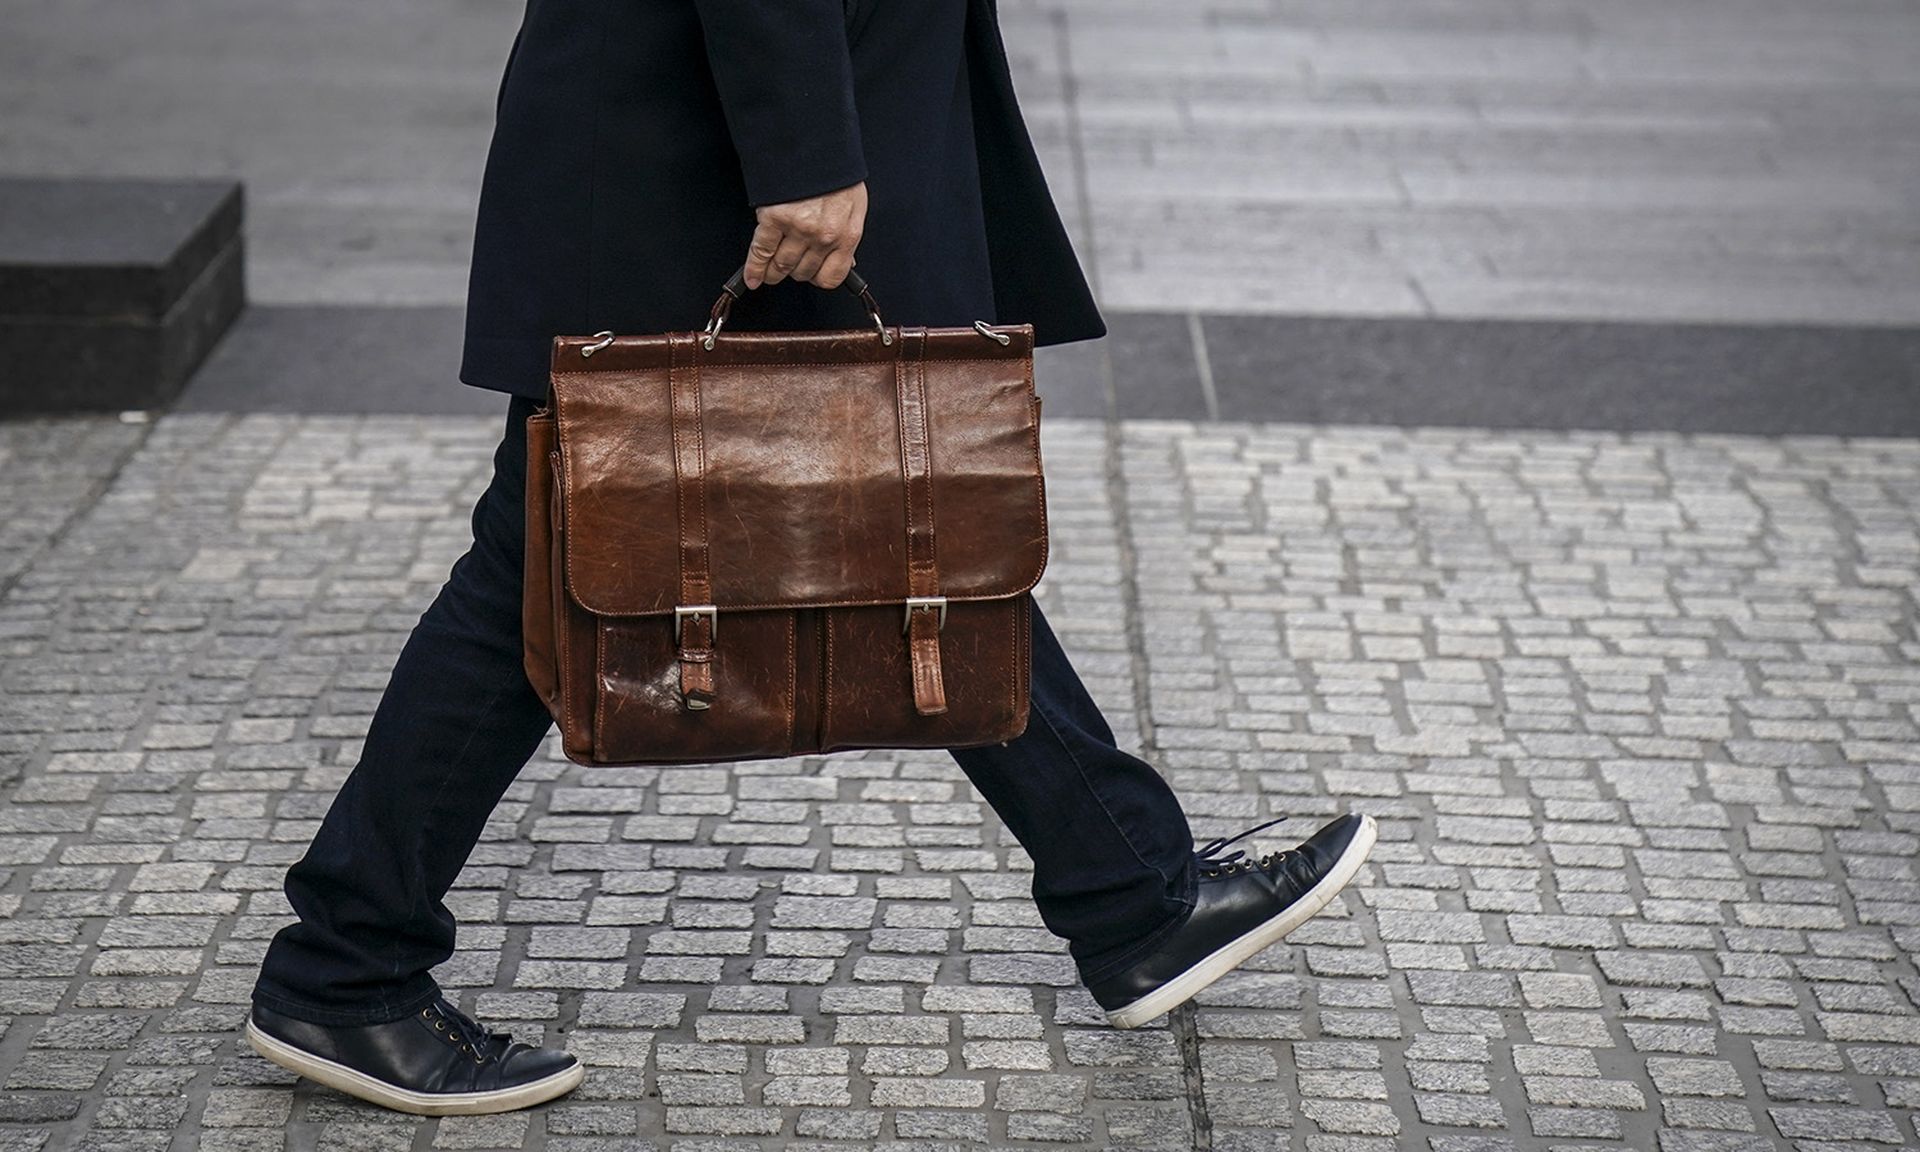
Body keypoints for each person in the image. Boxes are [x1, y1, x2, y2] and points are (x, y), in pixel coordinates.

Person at [243, 0, 1376, 1116]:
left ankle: (1131, 892)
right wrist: (803, 149)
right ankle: (343, 966)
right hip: (718, 127)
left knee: (884, 522)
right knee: (560, 546)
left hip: (758, 102)